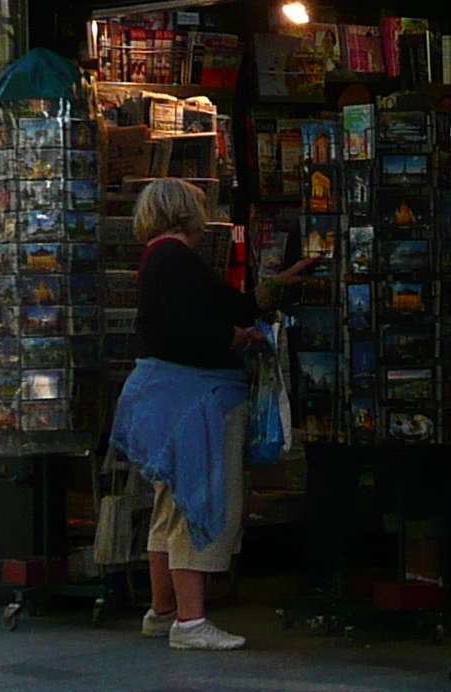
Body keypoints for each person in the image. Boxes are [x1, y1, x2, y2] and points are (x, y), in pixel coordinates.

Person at [109, 181, 313, 650]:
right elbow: (193, 324)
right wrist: (239, 339)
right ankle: (191, 620)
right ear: (184, 212)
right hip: (193, 398)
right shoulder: (175, 259)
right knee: (197, 503)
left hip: (167, 396)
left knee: (170, 504)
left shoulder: (159, 259)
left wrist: (271, 289)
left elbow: (223, 305)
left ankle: (163, 611)